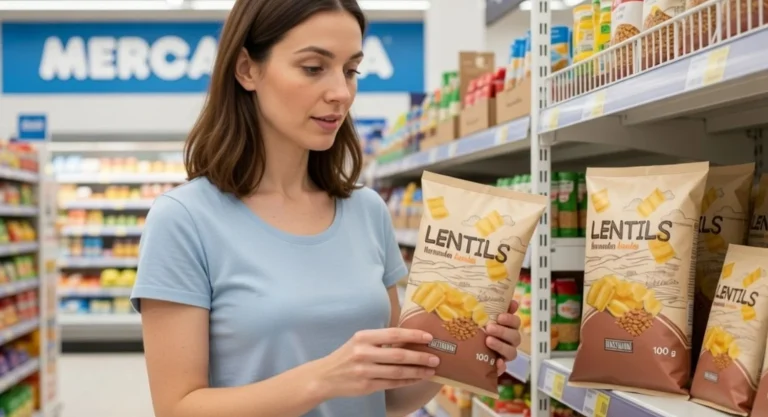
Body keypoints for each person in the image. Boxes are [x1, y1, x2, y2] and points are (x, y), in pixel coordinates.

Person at [130, 0, 522, 416]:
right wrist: (324, 379)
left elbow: (388, 398)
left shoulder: (366, 211)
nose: (341, 93)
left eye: (351, 71)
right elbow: (177, 408)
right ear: (247, 70)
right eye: (314, 68)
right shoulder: (185, 219)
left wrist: (463, 353)